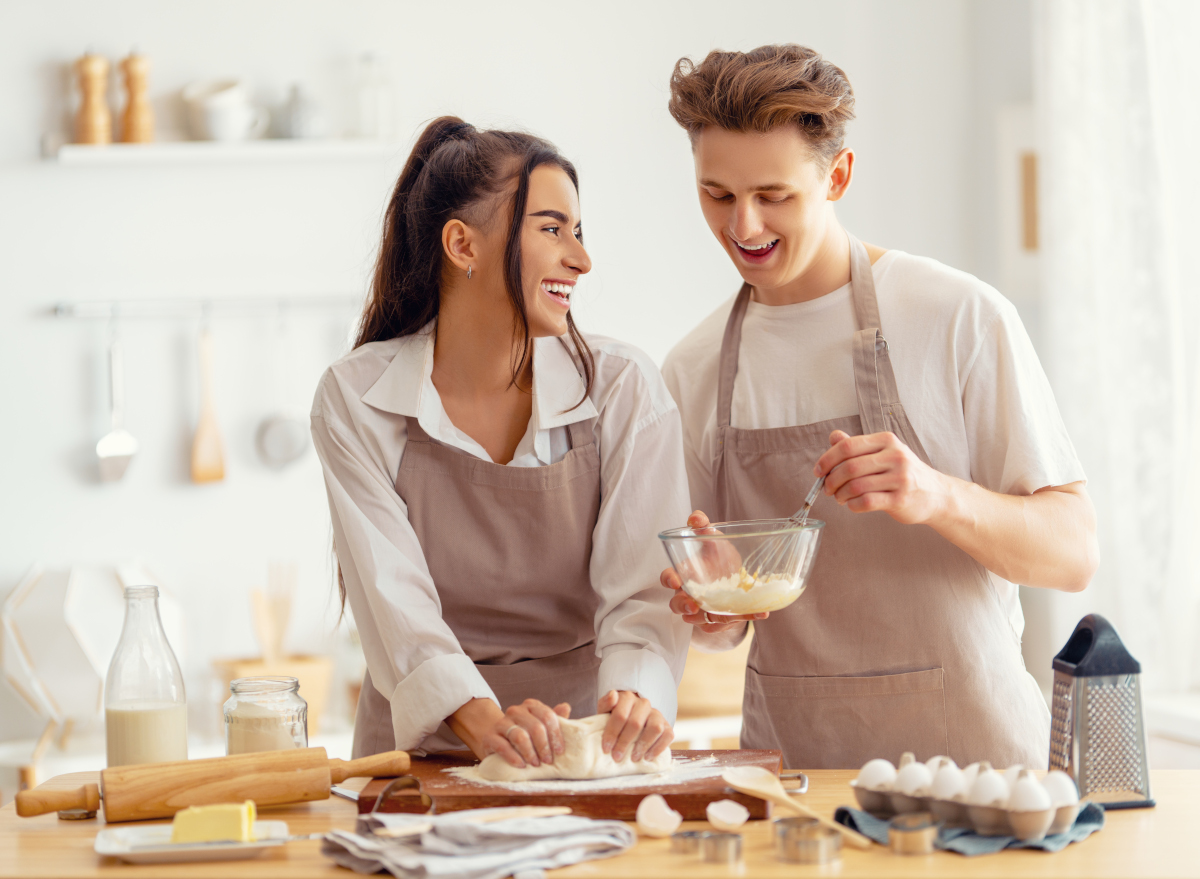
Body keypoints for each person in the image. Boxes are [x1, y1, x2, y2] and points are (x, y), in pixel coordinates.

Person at [658, 46, 1099, 769]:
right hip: (797, 780)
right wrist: (711, 603)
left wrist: (936, 494)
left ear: (837, 175)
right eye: (717, 194)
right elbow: (722, 630)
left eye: (773, 195)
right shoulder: (693, 368)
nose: (744, 225)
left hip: (973, 778)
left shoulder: (956, 316)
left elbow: (1073, 552)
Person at [313, 117, 691, 769]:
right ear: (463, 244)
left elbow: (642, 595)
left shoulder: (624, 388)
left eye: (579, 232)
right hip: (420, 757)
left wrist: (634, 697)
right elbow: (393, 601)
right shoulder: (358, 397)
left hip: (581, 748)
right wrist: (486, 725)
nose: (581, 259)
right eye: (552, 229)